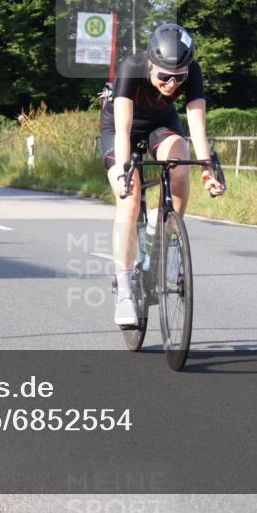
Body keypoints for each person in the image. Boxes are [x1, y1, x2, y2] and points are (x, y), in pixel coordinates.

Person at [101, 24, 225, 326]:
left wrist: (207, 170)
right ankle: (125, 293)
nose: (171, 83)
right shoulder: (131, 68)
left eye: (179, 77)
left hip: (161, 123)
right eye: (164, 76)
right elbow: (123, 130)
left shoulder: (192, 71)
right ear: (150, 64)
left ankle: (161, 233)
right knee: (129, 200)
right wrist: (125, 174)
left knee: (180, 168)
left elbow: (196, 125)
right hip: (121, 128)